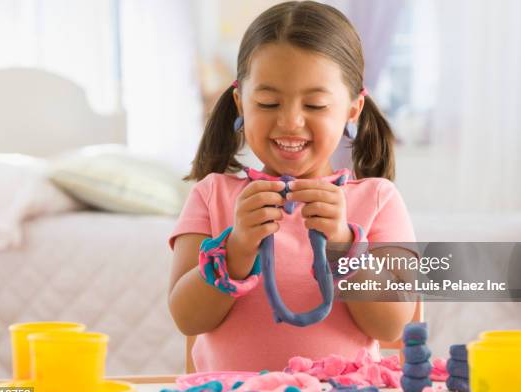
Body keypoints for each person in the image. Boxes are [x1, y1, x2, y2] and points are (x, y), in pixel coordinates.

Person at [168, 0, 416, 372]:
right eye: (268, 102)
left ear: (352, 109)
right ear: (240, 103)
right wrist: (235, 250)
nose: (290, 122)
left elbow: (391, 324)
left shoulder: (378, 199)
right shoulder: (211, 195)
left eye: (315, 105)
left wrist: (344, 246)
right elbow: (187, 319)